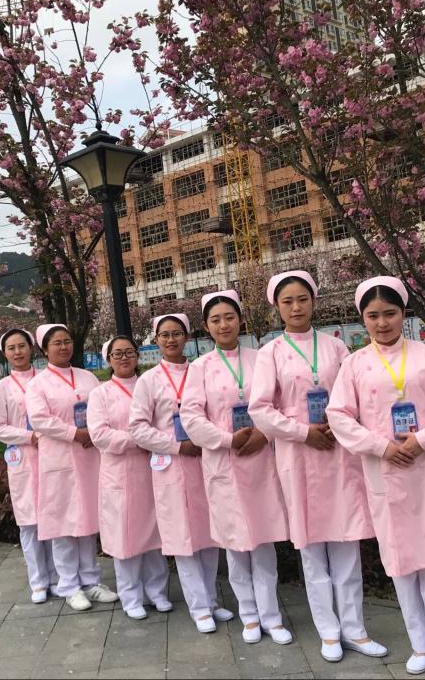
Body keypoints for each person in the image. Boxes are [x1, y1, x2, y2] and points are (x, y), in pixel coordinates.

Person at [327, 276, 425, 680]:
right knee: (401, 561)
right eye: (373, 315)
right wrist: (380, 446)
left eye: (390, 313)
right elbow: (338, 416)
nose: (382, 323)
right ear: (362, 319)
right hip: (385, 471)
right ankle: (420, 644)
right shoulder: (354, 364)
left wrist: (424, 439)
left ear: (403, 313)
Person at [248, 271, 387, 663]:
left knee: (346, 545)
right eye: (288, 301)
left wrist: (341, 426)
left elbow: (354, 394)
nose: (296, 307)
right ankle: (328, 631)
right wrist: (301, 432)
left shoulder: (335, 347)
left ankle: (355, 630)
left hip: (338, 452)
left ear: (313, 302)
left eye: (302, 299)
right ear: (277, 307)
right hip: (299, 455)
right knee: (311, 550)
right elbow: (260, 408)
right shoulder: (270, 353)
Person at [182, 290, 293, 646]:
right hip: (224, 463)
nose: (224, 325)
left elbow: (279, 404)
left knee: (262, 543)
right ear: (206, 327)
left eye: (229, 317)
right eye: (215, 320)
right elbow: (191, 417)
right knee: (235, 544)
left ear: (241, 320)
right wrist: (227, 440)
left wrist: (264, 433)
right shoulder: (199, 368)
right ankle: (249, 615)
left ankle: (272, 616)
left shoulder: (261, 358)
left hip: (260, 460)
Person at [129, 313, 233, 634]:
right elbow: (137, 428)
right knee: (183, 537)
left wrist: (207, 439)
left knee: (209, 533)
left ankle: (212, 600)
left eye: (177, 333)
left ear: (187, 337)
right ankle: (199, 608)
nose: (171, 339)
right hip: (172, 466)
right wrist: (176, 446)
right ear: (156, 340)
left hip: (205, 460)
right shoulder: (148, 380)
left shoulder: (201, 371)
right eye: (164, 335)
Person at [24, 323, 118, 612]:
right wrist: (74, 433)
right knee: (64, 523)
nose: (64, 347)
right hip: (60, 459)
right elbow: (40, 420)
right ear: (45, 349)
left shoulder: (87, 377)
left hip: (89, 456)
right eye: (57, 343)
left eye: (67, 341)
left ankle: (90, 581)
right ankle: (69, 585)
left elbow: (103, 407)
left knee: (88, 521)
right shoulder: (37, 384)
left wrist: (95, 431)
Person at [87, 335, 171, 620]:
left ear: (138, 355)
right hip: (120, 474)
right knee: (125, 537)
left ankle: (157, 592)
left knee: (155, 534)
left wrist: (154, 440)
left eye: (129, 352)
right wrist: (140, 439)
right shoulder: (100, 394)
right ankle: (131, 595)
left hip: (153, 468)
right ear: (108, 359)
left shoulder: (150, 384)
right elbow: (100, 435)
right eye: (117, 354)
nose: (124, 358)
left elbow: (163, 422)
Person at [0, 327, 57, 604]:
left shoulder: (46, 379)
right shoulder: (2, 387)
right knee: (29, 522)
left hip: (52, 455)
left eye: (22, 346)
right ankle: (38, 581)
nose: (18, 352)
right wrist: (29, 436)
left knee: (54, 517)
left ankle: (58, 577)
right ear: (5, 354)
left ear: (32, 348)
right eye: (11, 348)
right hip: (24, 459)